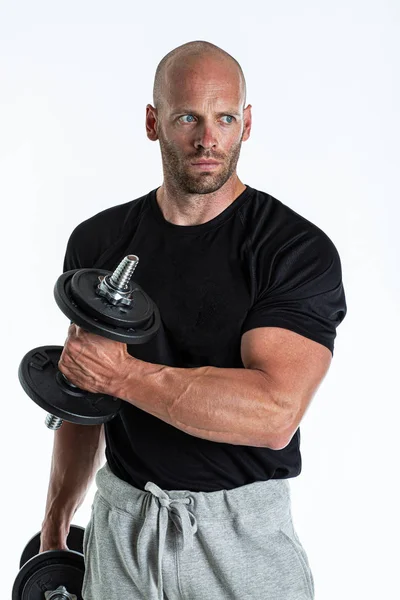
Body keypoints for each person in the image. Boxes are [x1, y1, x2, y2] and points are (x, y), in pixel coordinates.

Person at [39, 40, 347, 600]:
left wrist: (125, 376)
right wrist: (55, 526)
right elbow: (84, 399)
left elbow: (274, 412)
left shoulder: (292, 250)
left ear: (246, 124)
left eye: (224, 118)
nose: (208, 139)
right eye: (187, 117)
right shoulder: (99, 241)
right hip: (124, 527)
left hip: (242, 539)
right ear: (154, 122)